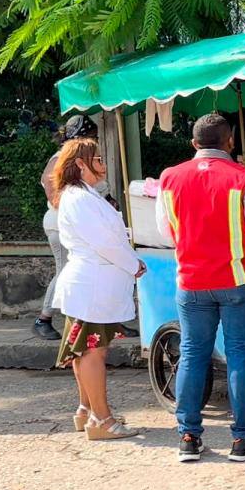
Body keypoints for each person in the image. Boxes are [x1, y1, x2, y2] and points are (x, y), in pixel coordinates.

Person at [156, 114, 245, 463]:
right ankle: (243, 439)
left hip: (191, 282)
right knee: (240, 356)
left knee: (193, 354)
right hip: (238, 280)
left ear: (194, 144)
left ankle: (189, 437)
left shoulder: (169, 178)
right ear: (231, 142)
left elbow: (166, 233)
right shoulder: (244, 178)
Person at [50, 137, 144, 440]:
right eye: (99, 160)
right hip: (92, 285)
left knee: (83, 351)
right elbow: (105, 243)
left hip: (91, 285)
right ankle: (102, 419)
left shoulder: (83, 195)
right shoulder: (79, 199)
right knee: (93, 353)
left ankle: (85, 410)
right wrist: (134, 264)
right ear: (80, 164)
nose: (103, 165)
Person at [33, 116, 98, 340]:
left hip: (78, 224)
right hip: (62, 225)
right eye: (91, 137)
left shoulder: (77, 159)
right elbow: (56, 197)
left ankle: (104, 321)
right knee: (65, 269)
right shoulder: (59, 160)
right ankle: (44, 318)